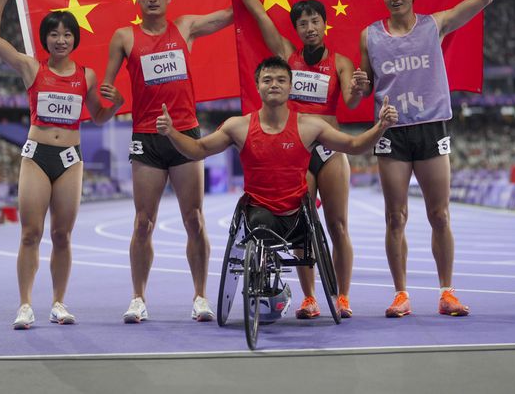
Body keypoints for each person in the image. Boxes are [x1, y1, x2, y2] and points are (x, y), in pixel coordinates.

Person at [357, 0, 504, 318]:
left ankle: (447, 292)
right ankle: (401, 294)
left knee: (439, 214)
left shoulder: (434, 25)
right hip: (392, 133)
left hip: (432, 126)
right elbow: (363, 87)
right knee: (395, 216)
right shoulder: (369, 35)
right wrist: (359, 85)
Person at [156, 57, 398, 275]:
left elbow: (354, 145)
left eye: (281, 80)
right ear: (257, 86)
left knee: (329, 226)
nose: (274, 84)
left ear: (291, 87)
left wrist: (381, 127)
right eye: (267, 80)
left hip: (297, 216)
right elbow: (198, 150)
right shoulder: (237, 126)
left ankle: (329, 297)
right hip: (258, 214)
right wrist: (170, 133)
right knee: (260, 223)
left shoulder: (309, 126)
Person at [224, 0, 366, 319]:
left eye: (314, 21)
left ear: (324, 24)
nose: (309, 28)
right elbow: (259, 15)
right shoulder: (288, 57)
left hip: (330, 150)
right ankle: (309, 298)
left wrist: (361, 88)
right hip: (296, 152)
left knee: (337, 225)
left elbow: (351, 101)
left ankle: (343, 296)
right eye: (302, 23)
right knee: (306, 226)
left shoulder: (340, 63)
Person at [0, 0, 124, 329]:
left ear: (75, 38)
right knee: (31, 233)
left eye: (67, 34)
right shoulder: (33, 69)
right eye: (54, 34)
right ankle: (25, 305)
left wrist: (117, 104)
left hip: (69, 159)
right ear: (45, 38)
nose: (60, 40)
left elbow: (100, 115)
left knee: (62, 235)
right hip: (37, 156)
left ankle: (58, 303)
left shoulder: (86, 76)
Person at [103, 0, 234, 323]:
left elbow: (229, 15)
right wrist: (111, 98)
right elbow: (105, 96)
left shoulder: (186, 27)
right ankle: (138, 298)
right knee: (143, 222)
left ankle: (201, 297)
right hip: (146, 138)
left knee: (194, 219)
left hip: (185, 135)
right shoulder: (124, 38)